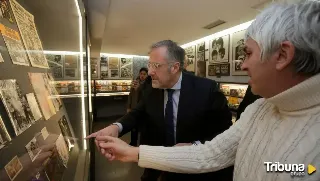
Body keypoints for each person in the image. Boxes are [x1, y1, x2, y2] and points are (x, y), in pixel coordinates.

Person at [92, 1, 320, 181]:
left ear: (282, 55)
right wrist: (131, 151)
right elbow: (211, 153)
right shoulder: (258, 109)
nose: (242, 65)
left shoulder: (208, 90)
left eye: (248, 53)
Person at [87, 40, 233, 181]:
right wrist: (116, 127)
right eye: (149, 65)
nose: (150, 72)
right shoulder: (151, 87)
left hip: (193, 170)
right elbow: (138, 112)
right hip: (155, 165)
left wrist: (195, 145)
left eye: (156, 65)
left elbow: (225, 132)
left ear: (175, 67)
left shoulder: (207, 90)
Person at [127, 67, 148, 146]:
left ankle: (142, 144)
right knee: (133, 127)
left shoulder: (148, 85)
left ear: (147, 75)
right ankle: (133, 142)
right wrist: (128, 107)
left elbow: (145, 96)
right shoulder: (135, 82)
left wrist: (140, 88)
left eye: (144, 74)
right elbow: (130, 95)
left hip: (142, 110)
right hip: (134, 108)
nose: (142, 76)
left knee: (141, 128)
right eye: (141, 74)